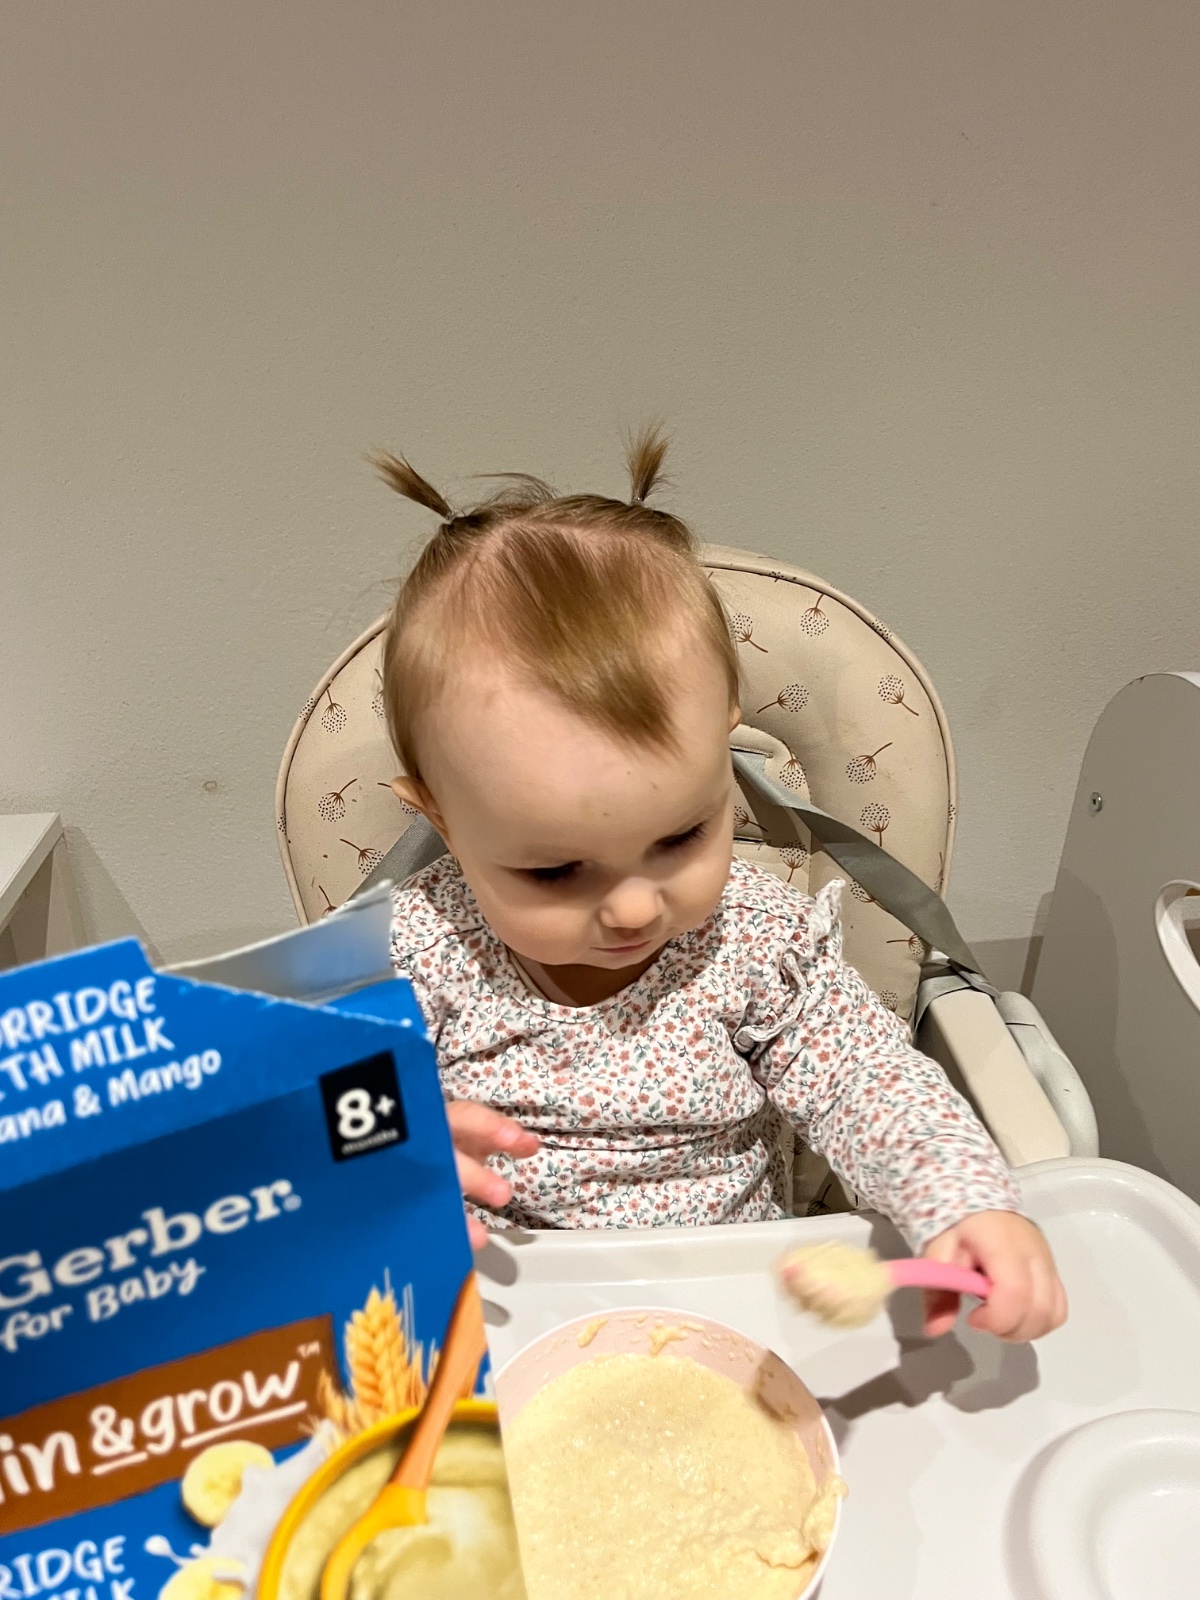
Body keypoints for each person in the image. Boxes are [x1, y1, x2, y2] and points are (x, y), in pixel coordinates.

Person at [376, 428, 1067, 1343]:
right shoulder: (409, 954)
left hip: (734, 1300)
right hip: (505, 1309)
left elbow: (863, 1080)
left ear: (725, 747)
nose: (634, 907)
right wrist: (386, 1159)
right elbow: (296, 1136)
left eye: (680, 836)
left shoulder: (751, 938)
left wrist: (964, 1202)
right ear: (439, 813)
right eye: (554, 870)